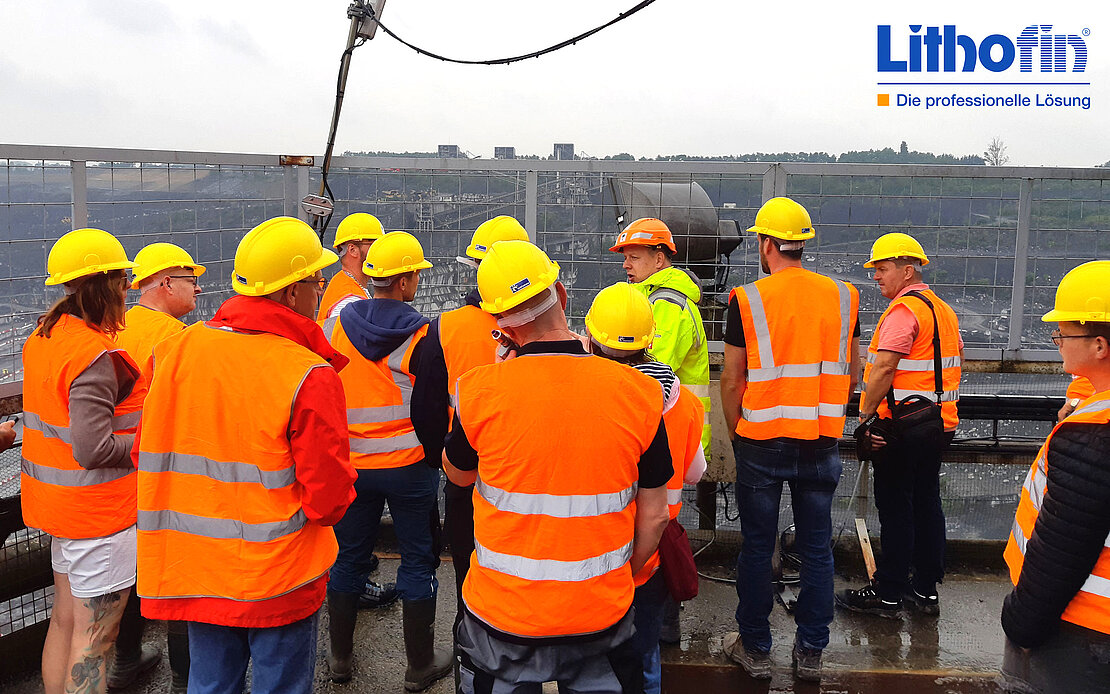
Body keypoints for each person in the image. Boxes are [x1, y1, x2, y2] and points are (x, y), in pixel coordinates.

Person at [134, 216, 357, 694]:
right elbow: (329, 500)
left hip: (197, 568)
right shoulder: (307, 373)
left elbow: (145, 454)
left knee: (210, 683)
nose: (320, 293)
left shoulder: (174, 352)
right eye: (316, 282)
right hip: (278, 574)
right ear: (292, 292)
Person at [442, 240, 672, 694]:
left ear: (499, 327)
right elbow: (657, 515)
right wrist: (619, 578)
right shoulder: (639, 394)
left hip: (502, 617)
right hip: (599, 614)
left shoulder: (478, 392)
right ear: (563, 296)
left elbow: (458, 474)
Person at [719, 197, 859, 682]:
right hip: (821, 437)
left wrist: (739, 430)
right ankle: (811, 653)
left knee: (758, 547)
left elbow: (732, 378)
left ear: (766, 243)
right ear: (802, 244)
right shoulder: (844, 296)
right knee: (818, 548)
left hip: (761, 439)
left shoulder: (749, 299)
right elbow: (853, 367)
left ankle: (755, 649)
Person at [324, 231, 453, 691]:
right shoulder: (422, 333)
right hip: (409, 466)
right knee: (418, 561)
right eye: (416, 274)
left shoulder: (337, 325)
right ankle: (419, 665)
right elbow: (436, 404)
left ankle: (339, 660)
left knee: (348, 558)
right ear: (404, 280)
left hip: (352, 465)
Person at [21, 228, 143, 694]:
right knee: (95, 641)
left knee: (64, 624)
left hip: (60, 509)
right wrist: (142, 446)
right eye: (125, 279)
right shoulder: (92, 354)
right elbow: (92, 449)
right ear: (109, 284)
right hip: (100, 519)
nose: (128, 288)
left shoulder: (47, 335)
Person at [416, 215, 529, 689]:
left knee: (469, 577)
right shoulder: (537, 334)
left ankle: (474, 667)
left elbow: (424, 410)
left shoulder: (445, 329)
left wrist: (440, 458)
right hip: (521, 482)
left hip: (463, 475)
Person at [584, 282, 706, 694]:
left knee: (593, 663)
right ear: (650, 340)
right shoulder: (684, 403)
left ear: (591, 338)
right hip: (649, 561)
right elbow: (694, 473)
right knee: (645, 654)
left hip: (596, 551)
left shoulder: (591, 401)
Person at [838, 232, 963, 619]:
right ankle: (925, 590)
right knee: (927, 502)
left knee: (895, 507)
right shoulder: (942, 310)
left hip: (902, 427)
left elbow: (885, 367)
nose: (876, 275)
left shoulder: (903, 312)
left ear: (907, 271)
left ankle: (888, 592)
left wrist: (865, 413)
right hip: (938, 424)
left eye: (882, 268)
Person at [1000, 260, 1110, 693]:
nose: (1058, 341)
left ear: (1099, 345)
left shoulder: (1094, 434)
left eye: (1064, 334)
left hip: (1082, 629)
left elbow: (1063, 549)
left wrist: (1021, 621)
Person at [610, 217, 711, 643]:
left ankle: (660, 619)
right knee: (660, 521)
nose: (627, 266)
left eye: (634, 257)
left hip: (666, 433)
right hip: (673, 431)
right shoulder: (656, 298)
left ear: (660, 257)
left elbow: (647, 373)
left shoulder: (666, 305)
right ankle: (658, 621)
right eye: (625, 258)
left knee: (657, 524)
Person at [110, 242, 205, 692]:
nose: (198, 287)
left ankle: (125, 660)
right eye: (190, 279)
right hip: (164, 478)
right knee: (178, 578)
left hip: (115, 480)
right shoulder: (173, 338)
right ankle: (187, 680)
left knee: (128, 574)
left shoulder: (114, 326)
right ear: (166, 283)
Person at [317, 212, 384, 323]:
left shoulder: (344, 283)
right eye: (375, 245)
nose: (380, 252)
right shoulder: (349, 302)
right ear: (352, 250)